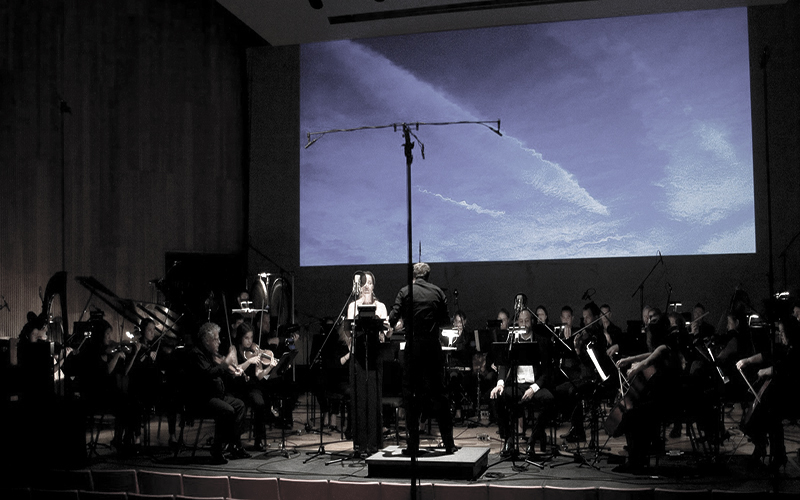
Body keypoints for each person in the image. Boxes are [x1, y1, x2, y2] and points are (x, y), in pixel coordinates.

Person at [388, 262, 457, 455]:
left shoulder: (404, 291)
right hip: (433, 349)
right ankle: (449, 444)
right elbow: (445, 322)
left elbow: (393, 319)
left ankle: (413, 446)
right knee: (440, 396)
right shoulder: (438, 293)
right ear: (427, 276)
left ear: (414, 276)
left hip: (413, 349)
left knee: (411, 396)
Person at [735, 318, 800, 472]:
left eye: (783, 332)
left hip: (793, 397)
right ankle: (767, 450)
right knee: (766, 413)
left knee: (769, 415)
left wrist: (765, 371)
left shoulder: (796, 349)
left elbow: (785, 369)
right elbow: (767, 355)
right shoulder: (786, 347)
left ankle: (771, 453)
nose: (780, 335)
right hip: (782, 394)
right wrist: (747, 361)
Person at [490, 308, 555, 459]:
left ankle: (533, 441)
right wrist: (500, 383)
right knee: (498, 397)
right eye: (520, 321)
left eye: (526, 321)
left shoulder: (542, 342)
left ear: (532, 322)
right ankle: (509, 439)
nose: (524, 324)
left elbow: (546, 371)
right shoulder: (512, 341)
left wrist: (533, 388)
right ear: (516, 323)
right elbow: (503, 365)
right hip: (517, 386)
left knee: (550, 400)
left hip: (535, 385)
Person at [184, 322, 250, 464]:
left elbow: (220, 373)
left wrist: (234, 372)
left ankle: (234, 445)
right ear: (207, 340)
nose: (219, 341)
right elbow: (208, 373)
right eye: (216, 339)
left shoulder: (211, 355)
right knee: (227, 410)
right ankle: (217, 449)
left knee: (240, 405)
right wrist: (225, 364)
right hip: (202, 399)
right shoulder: (196, 354)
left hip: (215, 396)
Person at [232, 322, 277, 451]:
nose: (249, 341)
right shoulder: (234, 349)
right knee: (239, 405)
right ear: (240, 337)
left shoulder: (255, 350)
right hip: (237, 386)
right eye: (246, 338)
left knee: (260, 403)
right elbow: (235, 369)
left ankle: (259, 439)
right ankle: (235, 440)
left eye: (251, 338)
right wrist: (248, 361)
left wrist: (269, 367)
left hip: (252, 386)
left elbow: (259, 375)